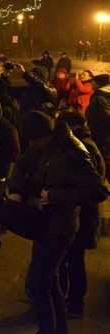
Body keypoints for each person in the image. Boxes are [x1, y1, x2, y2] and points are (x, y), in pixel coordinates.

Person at [8, 110, 107, 334]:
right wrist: (15, 189)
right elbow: (22, 163)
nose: (31, 143)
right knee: (50, 281)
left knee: (37, 283)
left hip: (61, 226)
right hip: (42, 223)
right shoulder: (39, 146)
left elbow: (98, 190)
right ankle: (59, 329)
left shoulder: (73, 151)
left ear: (47, 134)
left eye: (34, 139)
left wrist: (54, 196)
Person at [54, 108, 106, 318]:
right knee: (68, 258)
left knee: (74, 259)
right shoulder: (82, 145)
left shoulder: (84, 148)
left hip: (81, 214)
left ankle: (75, 302)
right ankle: (65, 298)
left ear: (73, 127)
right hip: (79, 212)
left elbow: (91, 187)